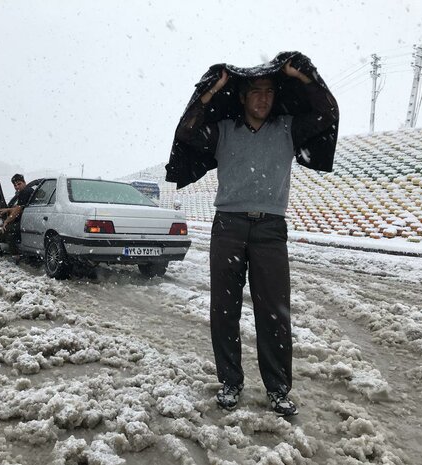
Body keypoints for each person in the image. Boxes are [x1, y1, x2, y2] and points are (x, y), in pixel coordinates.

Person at [174, 56, 338, 416]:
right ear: (244, 98)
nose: (262, 99)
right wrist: (212, 90)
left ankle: (278, 389)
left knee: (274, 312)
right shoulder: (224, 131)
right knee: (224, 308)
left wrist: (306, 78)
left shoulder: (287, 129)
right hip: (228, 226)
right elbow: (187, 131)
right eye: (255, 93)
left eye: (268, 92)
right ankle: (230, 382)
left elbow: (326, 114)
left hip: (270, 230)